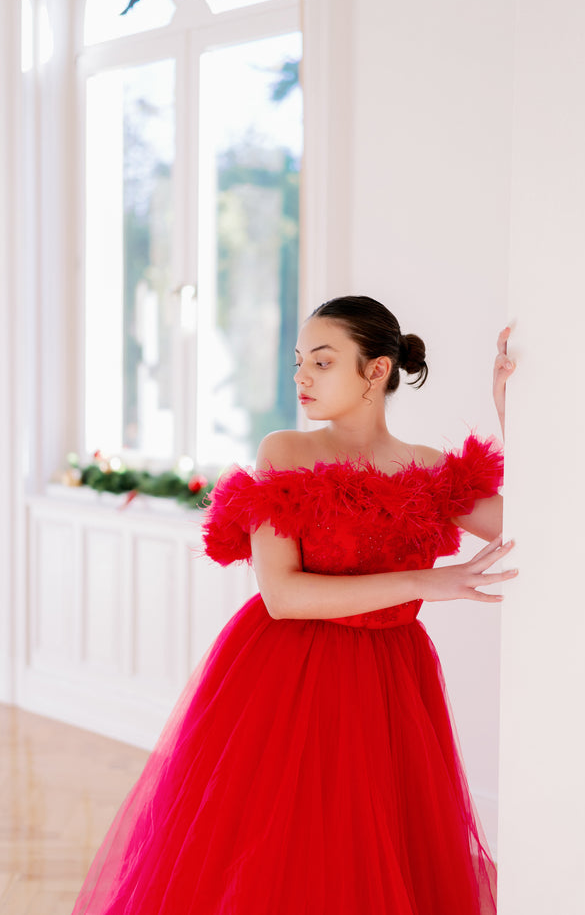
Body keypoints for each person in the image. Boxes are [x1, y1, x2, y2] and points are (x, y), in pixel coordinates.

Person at [71, 295, 516, 915]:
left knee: (379, 850)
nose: (303, 376)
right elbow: (283, 596)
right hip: (288, 675)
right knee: (279, 854)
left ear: (376, 371)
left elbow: (521, 526)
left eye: (323, 362)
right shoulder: (286, 452)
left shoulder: (430, 472)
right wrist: (424, 582)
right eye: (299, 362)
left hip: (391, 680)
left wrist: (510, 413)